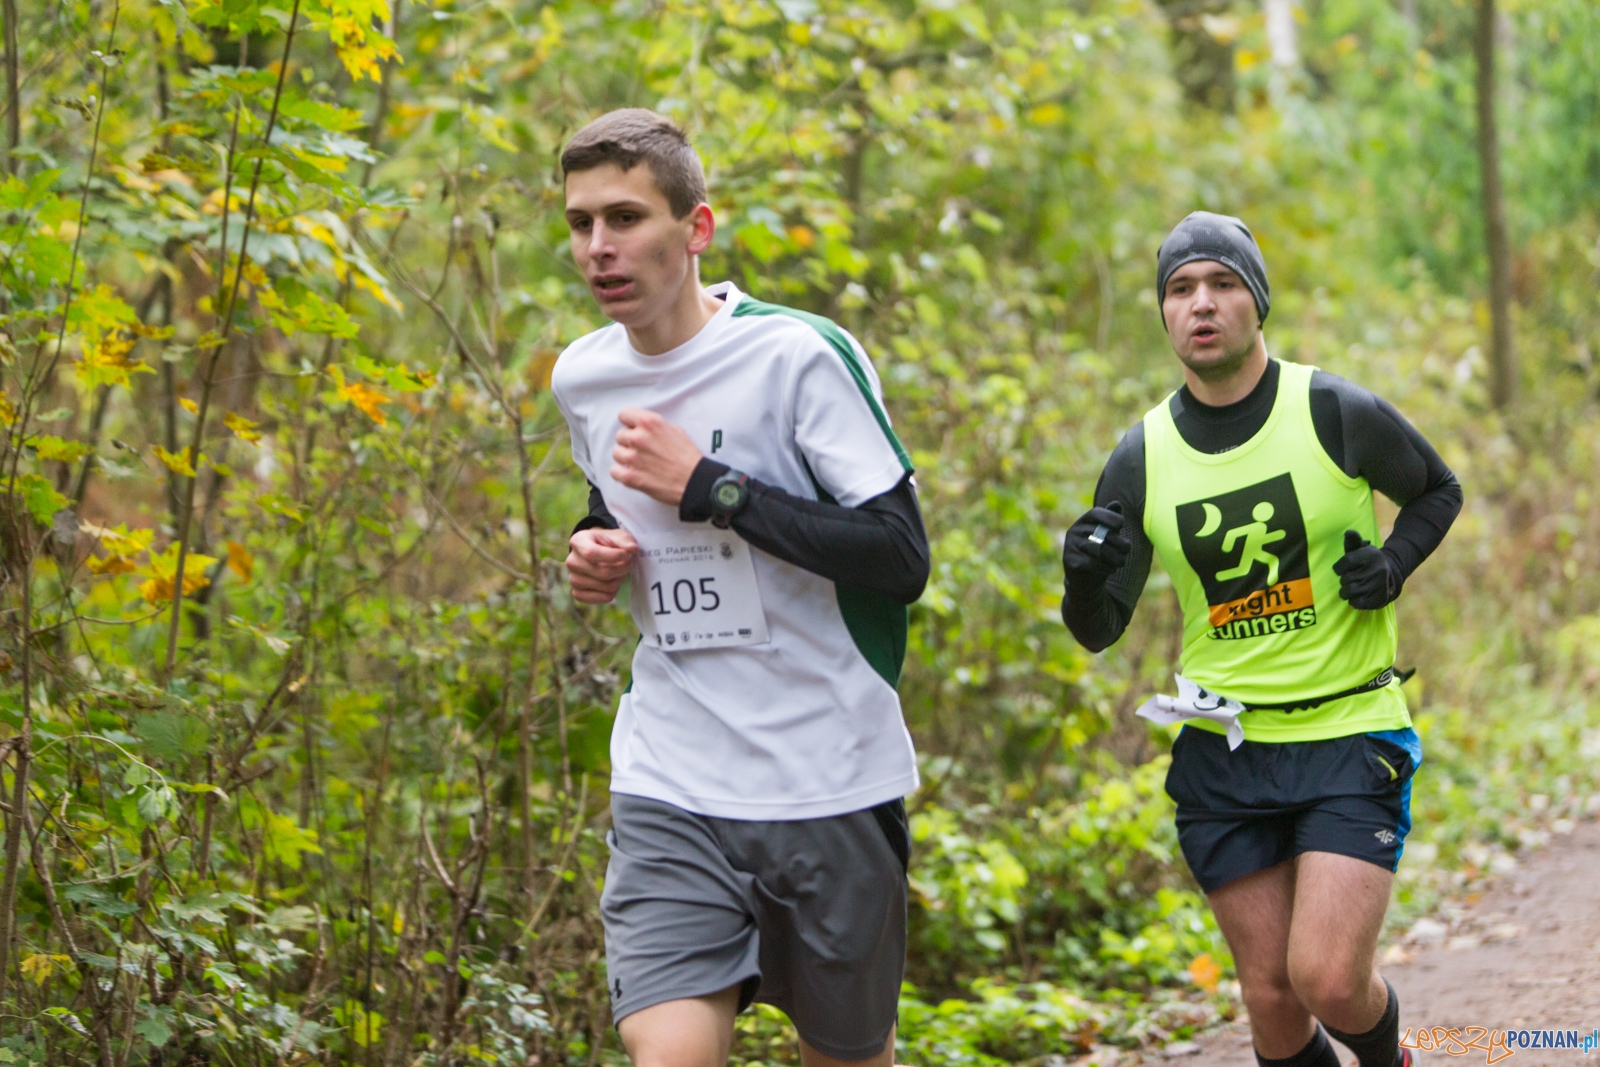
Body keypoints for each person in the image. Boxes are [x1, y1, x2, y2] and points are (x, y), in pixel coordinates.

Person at [550, 108, 930, 1067]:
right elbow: (613, 499)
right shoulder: (584, 376)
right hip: (672, 774)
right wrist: (596, 546)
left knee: (847, 1055)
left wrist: (715, 489)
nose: (599, 247)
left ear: (696, 228)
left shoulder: (798, 355)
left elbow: (898, 555)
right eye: (581, 223)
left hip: (828, 772)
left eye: (626, 218)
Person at [1061, 212, 1462, 1067]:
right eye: (1179, 289)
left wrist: (1392, 564)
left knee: (1325, 978)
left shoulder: (1331, 409)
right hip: (1227, 745)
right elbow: (1098, 629)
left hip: (1346, 728)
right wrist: (1081, 577)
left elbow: (1438, 490)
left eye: (1222, 283)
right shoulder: (1142, 454)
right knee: (1272, 999)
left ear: (1257, 302)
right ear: (1164, 314)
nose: (1200, 304)